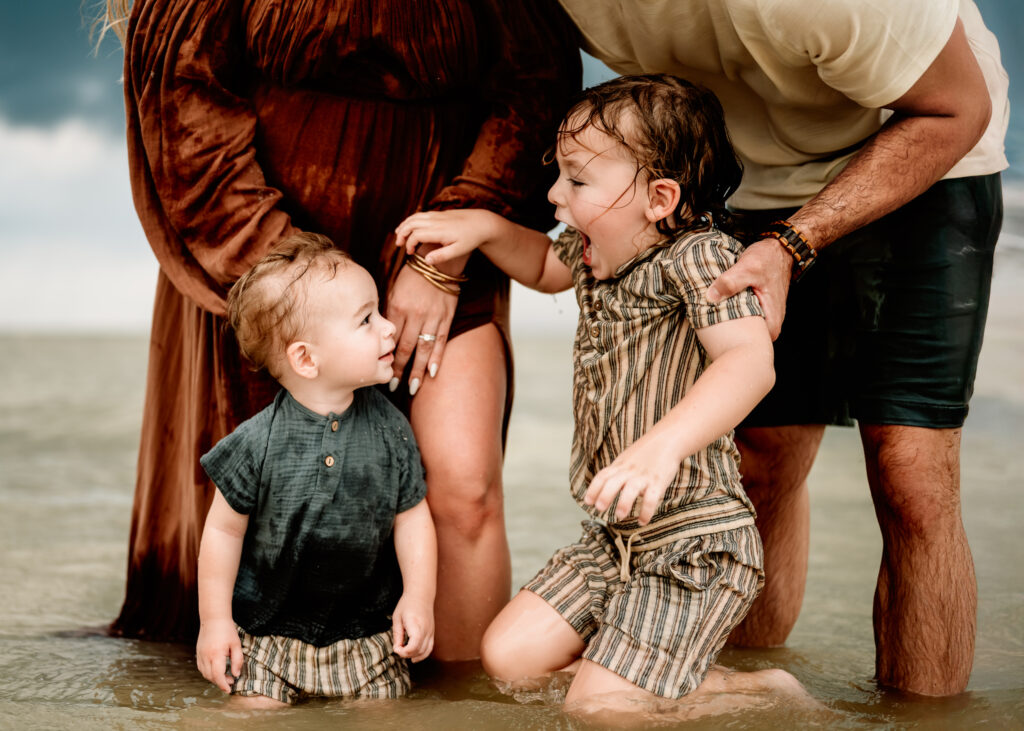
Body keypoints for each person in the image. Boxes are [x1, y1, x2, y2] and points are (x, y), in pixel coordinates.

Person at [553, 0, 1009, 696]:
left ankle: (924, 719)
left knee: (912, 475)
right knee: (758, 463)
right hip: (735, 174)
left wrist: (796, 241)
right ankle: (740, 697)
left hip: (922, 148)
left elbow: (956, 107)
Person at [98, 0, 581, 657]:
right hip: (265, 240)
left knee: (463, 490)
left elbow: (538, 76)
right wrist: (289, 275)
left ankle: (467, 709)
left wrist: (457, 235)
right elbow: (185, 90)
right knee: (267, 508)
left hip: (445, 229)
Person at [396, 75, 807, 715]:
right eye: (558, 175)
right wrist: (482, 226)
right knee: (509, 659)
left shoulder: (700, 259)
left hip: (693, 545)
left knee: (599, 710)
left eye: (577, 180)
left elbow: (751, 362)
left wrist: (661, 448)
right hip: (614, 543)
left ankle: (757, 693)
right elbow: (540, 266)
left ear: (659, 198)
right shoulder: (596, 252)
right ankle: (638, 671)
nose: (555, 194)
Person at [195, 234, 436, 707]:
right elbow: (222, 532)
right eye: (367, 320)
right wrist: (215, 622)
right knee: (249, 715)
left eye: (379, 313)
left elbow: (411, 517)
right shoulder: (256, 441)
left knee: (386, 717)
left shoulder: (391, 429)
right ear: (306, 358)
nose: (390, 329)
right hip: (267, 641)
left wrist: (419, 598)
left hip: (369, 639)